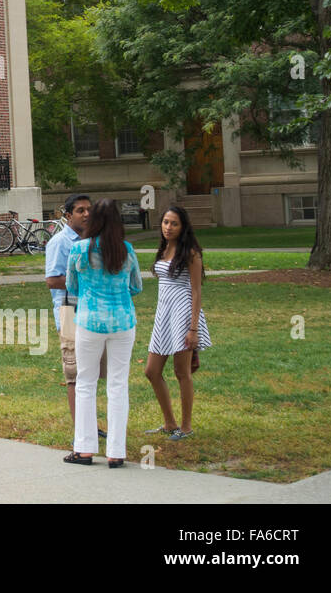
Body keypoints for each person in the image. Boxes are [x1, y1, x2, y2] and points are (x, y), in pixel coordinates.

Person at [64, 198, 142, 467]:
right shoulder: (126, 249)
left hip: (89, 320)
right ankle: (116, 452)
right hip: (122, 321)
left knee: (86, 382)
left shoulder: (80, 249)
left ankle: (84, 449)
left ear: (93, 219)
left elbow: (71, 286)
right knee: (118, 384)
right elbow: (136, 286)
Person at [144, 205, 212, 441]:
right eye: (165, 222)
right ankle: (169, 423)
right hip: (163, 315)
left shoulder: (191, 253)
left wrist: (193, 328)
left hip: (183, 314)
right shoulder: (163, 249)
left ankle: (186, 427)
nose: (168, 227)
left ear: (183, 227)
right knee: (152, 371)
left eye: (174, 223)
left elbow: (196, 291)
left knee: (182, 372)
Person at [45, 193, 105, 433]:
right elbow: (52, 280)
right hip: (69, 311)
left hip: (91, 312)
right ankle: (82, 430)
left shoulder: (92, 240)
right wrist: (87, 282)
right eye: (81, 210)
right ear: (69, 216)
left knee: (91, 372)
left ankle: (91, 425)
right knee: (75, 374)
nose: (87, 214)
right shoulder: (60, 242)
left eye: (89, 209)